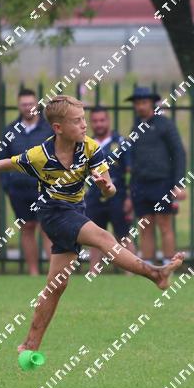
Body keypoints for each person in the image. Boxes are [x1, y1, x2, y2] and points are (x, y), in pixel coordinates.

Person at [0, 95, 184, 356]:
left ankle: (30, 344)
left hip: (75, 211)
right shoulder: (40, 155)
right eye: (77, 121)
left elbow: (110, 189)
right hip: (53, 214)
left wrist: (105, 187)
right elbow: (11, 162)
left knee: (56, 286)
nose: (84, 125)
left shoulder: (91, 148)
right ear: (58, 128)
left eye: (84, 119)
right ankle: (155, 274)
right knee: (104, 238)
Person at [126, 87, 186, 265]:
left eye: (144, 102)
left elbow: (179, 153)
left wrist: (178, 183)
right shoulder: (135, 126)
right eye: (137, 103)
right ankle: (149, 268)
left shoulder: (165, 124)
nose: (140, 106)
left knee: (164, 224)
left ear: (152, 103)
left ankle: (168, 265)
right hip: (140, 184)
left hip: (162, 182)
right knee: (144, 225)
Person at [0, 88, 54, 275]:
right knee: (27, 227)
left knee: (47, 228)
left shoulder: (48, 128)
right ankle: (33, 271)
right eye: (24, 104)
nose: (28, 107)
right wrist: (7, 185)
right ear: (18, 105)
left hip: (45, 188)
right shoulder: (10, 130)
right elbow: (2, 159)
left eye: (31, 104)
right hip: (19, 189)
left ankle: (53, 272)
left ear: (37, 104)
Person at [86, 106, 135, 274]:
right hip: (93, 197)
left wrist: (130, 197)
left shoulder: (121, 143)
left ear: (108, 121)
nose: (99, 124)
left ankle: (132, 273)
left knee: (124, 235)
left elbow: (131, 172)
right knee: (95, 237)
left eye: (102, 120)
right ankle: (93, 274)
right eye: (95, 121)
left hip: (118, 196)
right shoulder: (87, 144)